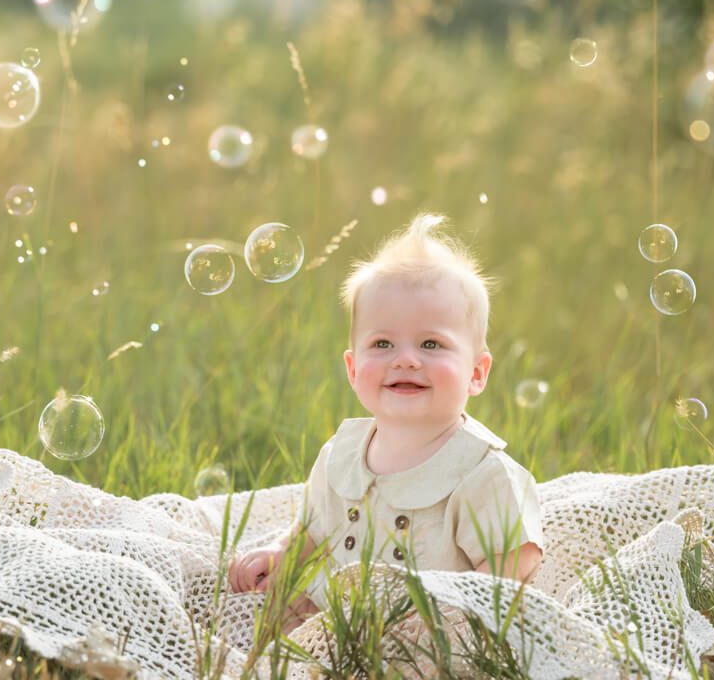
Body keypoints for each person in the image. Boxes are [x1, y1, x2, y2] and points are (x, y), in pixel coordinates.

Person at [228, 213, 544, 632]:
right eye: (382, 343)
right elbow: (314, 528)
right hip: (335, 619)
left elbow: (511, 569)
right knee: (273, 618)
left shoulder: (483, 473)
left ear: (477, 373)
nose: (406, 358)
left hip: (430, 635)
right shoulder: (341, 454)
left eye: (431, 343)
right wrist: (283, 553)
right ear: (353, 368)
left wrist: (455, 628)